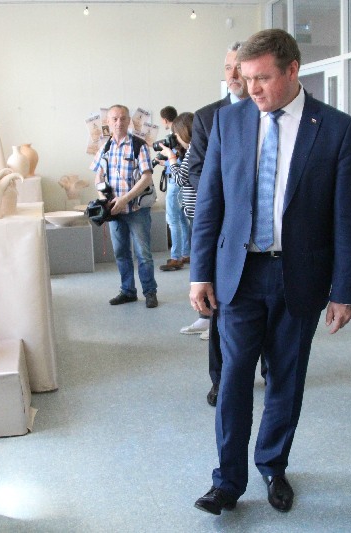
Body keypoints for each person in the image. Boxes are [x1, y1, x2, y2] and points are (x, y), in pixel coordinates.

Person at [190, 29, 351, 515]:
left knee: (286, 379)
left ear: (292, 70)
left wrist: (345, 289)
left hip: (299, 276)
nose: (252, 89)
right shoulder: (229, 121)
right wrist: (200, 272)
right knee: (233, 381)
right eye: (245, 79)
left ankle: (273, 465)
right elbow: (210, 202)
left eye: (262, 78)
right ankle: (227, 481)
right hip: (239, 275)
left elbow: (347, 217)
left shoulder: (335, 128)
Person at [181, 41, 252, 406]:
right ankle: (220, 380)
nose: (234, 74)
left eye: (240, 66)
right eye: (228, 68)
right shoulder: (209, 117)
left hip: (267, 238)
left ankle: (267, 371)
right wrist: (228, 195)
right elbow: (195, 170)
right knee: (221, 312)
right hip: (225, 229)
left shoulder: (274, 114)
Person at [89, 105, 158, 309]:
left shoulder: (139, 146)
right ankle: (128, 291)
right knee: (121, 253)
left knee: (143, 254)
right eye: (115, 119)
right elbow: (98, 177)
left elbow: (146, 177)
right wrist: (104, 200)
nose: (119, 122)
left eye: (123, 118)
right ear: (108, 122)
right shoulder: (105, 147)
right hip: (115, 212)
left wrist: (125, 199)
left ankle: (150, 292)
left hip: (136, 210)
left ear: (129, 121)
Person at [157, 106, 191, 272]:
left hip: (175, 181)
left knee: (173, 219)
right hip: (178, 180)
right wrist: (167, 162)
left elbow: (179, 168)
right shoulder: (182, 139)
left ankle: (176, 257)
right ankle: (186, 253)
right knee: (183, 219)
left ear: (164, 120)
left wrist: (169, 157)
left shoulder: (175, 137)